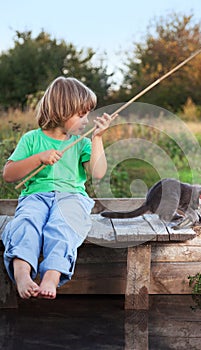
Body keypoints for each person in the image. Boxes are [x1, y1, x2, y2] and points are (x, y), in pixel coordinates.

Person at [2, 76, 112, 300]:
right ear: (62, 111)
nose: (86, 120)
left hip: (71, 198)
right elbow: (9, 175)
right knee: (26, 223)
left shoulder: (82, 143)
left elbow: (98, 172)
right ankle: (22, 274)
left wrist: (98, 138)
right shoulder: (31, 140)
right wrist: (39, 158)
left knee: (62, 225)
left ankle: (51, 276)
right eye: (81, 115)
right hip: (35, 197)